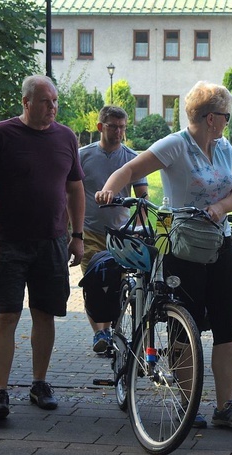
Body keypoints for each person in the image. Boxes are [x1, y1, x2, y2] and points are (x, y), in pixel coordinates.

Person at [95, 81, 232, 429]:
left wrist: (220, 207)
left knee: (228, 325)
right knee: (187, 327)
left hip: (220, 242)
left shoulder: (225, 147)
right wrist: (109, 190)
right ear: (211, 117)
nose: (228, 122)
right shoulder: (176, 145)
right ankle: (187, 402)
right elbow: (131, 170)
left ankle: (225, 405)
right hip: (181, 246)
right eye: (225, 116)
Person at [0, 75, 85, 419]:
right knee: (5, 314)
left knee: (45, 313)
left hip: (51, 241)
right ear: (26, 103)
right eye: (45, 102)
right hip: (7, 241)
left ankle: (39, 383)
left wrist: (77, 235)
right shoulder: (1, 134)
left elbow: (75, 189)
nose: (52, 108)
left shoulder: (66, 137)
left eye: (55, 102)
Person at [79, 106, 148, 353]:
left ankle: (109, 331)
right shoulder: (83, 156)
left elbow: (143, 198)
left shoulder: (131, 158)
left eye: (122, 127)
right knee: (93, 283)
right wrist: (71, 230)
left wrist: (141, 227)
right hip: (90, 231)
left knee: (116, 285)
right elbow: (71, 193)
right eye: (112, 126)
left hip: (120, 235)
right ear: (100, 127)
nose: (118, 131)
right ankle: (100, 332)